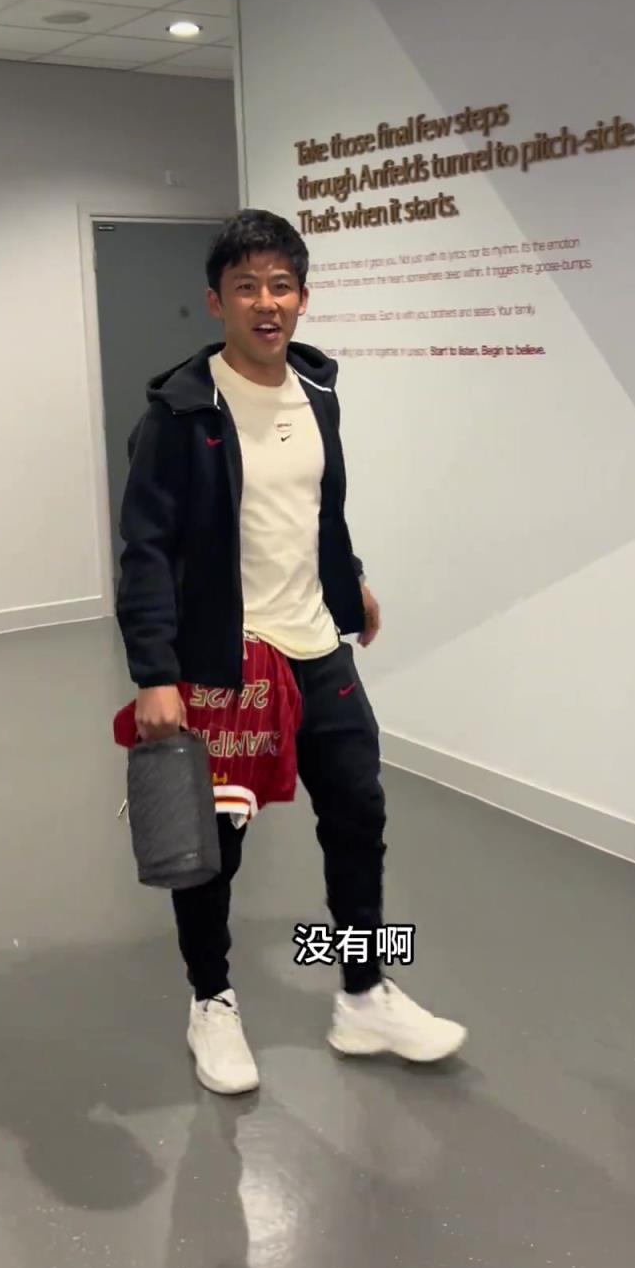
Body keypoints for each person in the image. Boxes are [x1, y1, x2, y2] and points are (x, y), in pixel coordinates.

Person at [115, 208, 466, 1094]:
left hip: (316, 647)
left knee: (358, 814)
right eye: (247, 287)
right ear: (216, 302)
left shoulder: (317, 390)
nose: (266, 302)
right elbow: (146, 550)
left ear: (303, 299)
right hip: (226, 661)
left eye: (281, 286)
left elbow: (317, 511)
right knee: (214, 843)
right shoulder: (179, 412)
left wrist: (352, 581)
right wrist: (156, 674)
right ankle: (211, 1001)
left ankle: (364, 990)